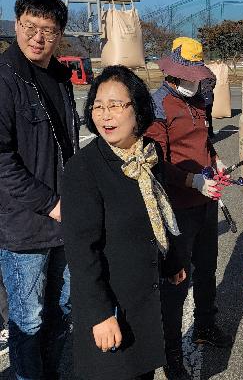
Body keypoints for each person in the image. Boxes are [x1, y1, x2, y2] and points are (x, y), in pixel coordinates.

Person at [61, 66, 186, 380]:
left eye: (116, 105)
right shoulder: (83, 168)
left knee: (142, 371)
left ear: (139, 108)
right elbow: (81, 252)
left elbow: (158, 208)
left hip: (142, 299)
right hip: (111, 304)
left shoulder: (148, 154)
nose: (106, 115)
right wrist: (99, 314)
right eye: (99, 106)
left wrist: (171, 261)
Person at [0, 0, 78, 379]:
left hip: (66, 218)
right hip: (26, 225)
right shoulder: (5, 79)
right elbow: (1, 160)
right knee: (28, 319)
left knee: (62, 308)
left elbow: (68, 145)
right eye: (29, 26)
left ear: (59, 33)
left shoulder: (61, 77)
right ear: (16, 24)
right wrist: (50, 203)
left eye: (47, 29)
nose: (37, 37)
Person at [146, 37, 232, 380]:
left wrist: (216, 161)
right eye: (189, 74)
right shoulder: (158, 107)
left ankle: (205, 326)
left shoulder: (197, 100)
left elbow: (205, 141)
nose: (195, 80)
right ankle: (171, 353)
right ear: (173, 71)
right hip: (177, 209)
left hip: (206, 203)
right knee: (177, 281)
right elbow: (156, 164)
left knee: (207, 269)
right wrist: (192, 182)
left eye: (198, 74)